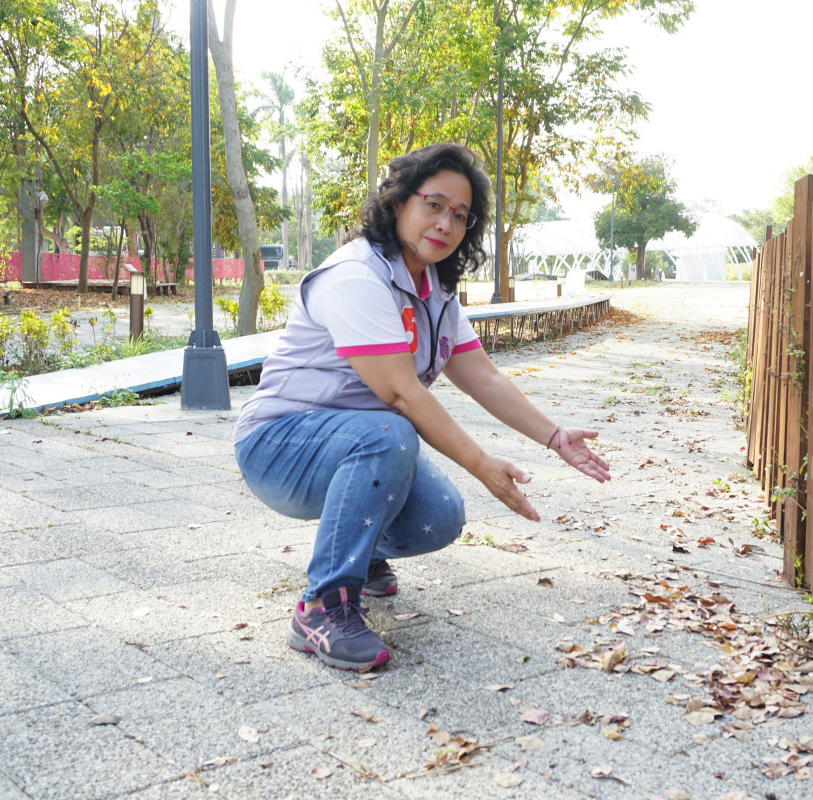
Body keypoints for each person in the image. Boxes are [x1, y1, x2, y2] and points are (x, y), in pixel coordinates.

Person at [234, 142, 611, 672]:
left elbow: (481, 374)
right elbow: (401, 394)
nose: (446, 223)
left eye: (460, 215)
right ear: (398, 204)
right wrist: (483, 466)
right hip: (278, 445)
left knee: (438, 519)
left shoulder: (435, 288)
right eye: (433, 204)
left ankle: (358, 556)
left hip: (355, 439)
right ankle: (322, 606)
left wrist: (553, 436)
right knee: (391, 433)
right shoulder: (357, 276)